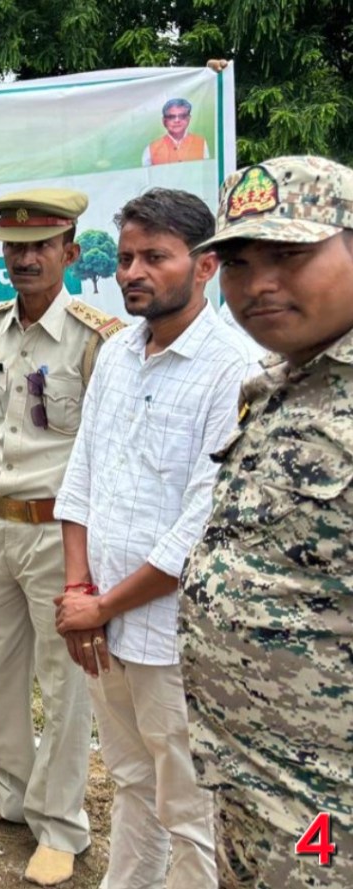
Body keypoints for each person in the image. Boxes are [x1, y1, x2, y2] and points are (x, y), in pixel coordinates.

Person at [53, 188, 258, 888]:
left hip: (170, 634)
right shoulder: (116, 353)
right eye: (129, 256)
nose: (133, 271)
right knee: (132, 775)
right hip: (99, 619)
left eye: (156, 257)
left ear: (204, 267)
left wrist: (101, 607)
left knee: (188, 797)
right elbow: (81, 475)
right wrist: (80, 589)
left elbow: (198, 527)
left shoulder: (233, 368)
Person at [0, 188, 122, 886]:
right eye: (14, 246)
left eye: (41, 245)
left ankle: (61, 823)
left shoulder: (96, 337)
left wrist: (89, 559)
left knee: (66, 680)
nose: (25, 258)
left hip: (58, 534)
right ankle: (9, 791)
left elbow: (108, 451)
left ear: (70, 252)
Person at [180, 155, 353, 888]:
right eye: (239, 262)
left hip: (326, 814)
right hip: (254, 779)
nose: (258, 284)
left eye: (289, 254)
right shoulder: (284, 382)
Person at [142, 99, 210, 166]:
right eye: (171, 117)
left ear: (188, 119)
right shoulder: (151, 149)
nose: (177, 120)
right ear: (164, 121)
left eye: (182, 116)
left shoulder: (201, 143)